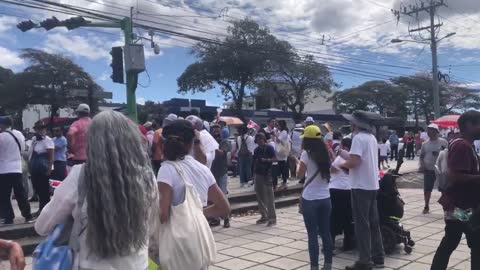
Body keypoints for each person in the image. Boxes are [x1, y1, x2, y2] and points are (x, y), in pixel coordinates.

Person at [35, 111, 158, 269]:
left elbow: (42, 226)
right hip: (138, 265)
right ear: (132, 140)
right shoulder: (148, 177)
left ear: (92, 142)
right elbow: (152, 225)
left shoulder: (80, 175)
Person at [431, 111, 480, 270]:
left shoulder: (462, 143)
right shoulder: (462, 145)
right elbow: (456, 176)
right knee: (476, 242)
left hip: (457, 205)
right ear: (469, 125)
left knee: (451, 240)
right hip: (463, 208)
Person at [157, 119, 230, 221]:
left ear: (164, 144)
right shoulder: (203, 169)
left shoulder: (166, 169)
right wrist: (197, 215)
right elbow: (224, 207)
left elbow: (163, 215)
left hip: (177, 234)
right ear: (191, 143)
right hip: (200, 233)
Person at [340, 111, 384, 270]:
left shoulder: (358, 138)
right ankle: (379, 256)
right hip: (372, 185)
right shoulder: (371, 138)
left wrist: (342, 165)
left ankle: (364, 261)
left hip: (360, 186)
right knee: (373, 223)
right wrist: (344, 155)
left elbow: (354, 162)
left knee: (361, 225)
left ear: (356, 124)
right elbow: (358, 158)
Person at [296, 125, 333, 270]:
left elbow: (299, 175)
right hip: (325, 197)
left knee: (312, 235)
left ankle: (314, 267)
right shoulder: (327, 152)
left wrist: (297, 164)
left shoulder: (306, 154)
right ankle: (328, 264)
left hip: (310, 199)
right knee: (326, 232)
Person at [0, 117, 34, 225]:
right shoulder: (19, 134)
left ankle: (8, 218)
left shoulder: (1, 136)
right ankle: (28, 216)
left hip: (4, 169)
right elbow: (23, 149)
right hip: (17, 168)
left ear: (3, 125)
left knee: (4, 195)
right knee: (20, 193)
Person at [330, 137, 354, 252]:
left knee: (334, 218)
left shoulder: (340, 158)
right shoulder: (354, 159)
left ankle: (331, 244)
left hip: (336, 190)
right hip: (349, 190)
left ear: (344, 147)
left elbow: (332, 170)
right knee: (347, 218)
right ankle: (348, 243)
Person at [419, 123, 448, 214]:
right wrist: (422, 165)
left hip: (441, 170)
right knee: (427, 189)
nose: (430, 133)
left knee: (444, 189)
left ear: (437, 132)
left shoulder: (443, 142)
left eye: (432, 131)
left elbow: (448, 153)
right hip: (429, 169)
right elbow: (421, 156)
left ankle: (446, 206)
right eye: (428, 131)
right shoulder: (425, 144)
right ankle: (426, 205)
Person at [28, 121, 54, 215]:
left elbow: (51, 156)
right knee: (37, 188)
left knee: (44, 190)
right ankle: (41, 208)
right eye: (38, 128)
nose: (40, 130)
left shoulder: (48, 140)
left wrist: (49, 169)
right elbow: (30, 153)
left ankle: (45, 210)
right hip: (35, 166)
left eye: (42, 128)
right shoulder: (34, 139)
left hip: (43, 167)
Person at [210, 124, 232, 228]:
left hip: (222, 172)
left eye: (218, 130)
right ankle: (216, 218)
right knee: (213, 197)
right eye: (214, 130)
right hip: (211, 172)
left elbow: (222, 153)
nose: (216, 132)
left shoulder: (225, 141)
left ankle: (226, 218)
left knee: (222, 195)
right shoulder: (210, 140)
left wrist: (211, 146)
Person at [253, 133, 277, 227]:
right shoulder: (256, 150)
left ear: (264, 139)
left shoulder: (269, 148)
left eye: (261, 140)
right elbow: (254, 161)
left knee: (269, 197)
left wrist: (266, 160)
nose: (260, 142)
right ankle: (264, 215)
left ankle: (272, 218)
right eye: (258, 140)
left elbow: (275, 159)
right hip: (258, 173)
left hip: (268, 174)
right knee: (259, 196)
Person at [275, 120, 290, 189]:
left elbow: (278, 140)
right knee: (281, 167)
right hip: (281, 152)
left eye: (278, 125)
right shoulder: (281, 132)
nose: (277, 126)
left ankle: (284, 182)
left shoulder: (284, 132)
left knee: (283, 167)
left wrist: (275, 134)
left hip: (282, 152)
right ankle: (284, 182)